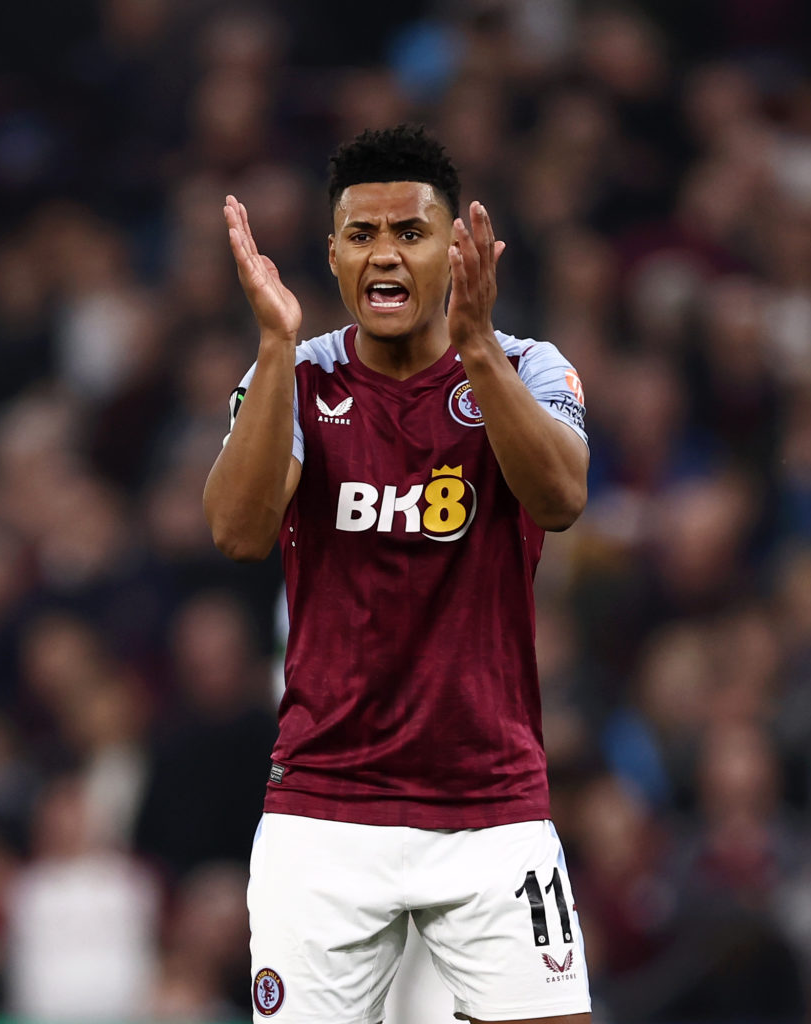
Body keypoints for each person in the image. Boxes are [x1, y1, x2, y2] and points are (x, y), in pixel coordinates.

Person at [204, 124, 592, 1023]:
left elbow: (563, 498)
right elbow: (238, 530)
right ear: (332, 255)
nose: (386, 254)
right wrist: (270, 347)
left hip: (490, 804)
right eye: (361, 235)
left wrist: (480, 346)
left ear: (455, 249)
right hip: (325, 813)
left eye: (411, 234)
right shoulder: (295, 380)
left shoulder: (529, 364)